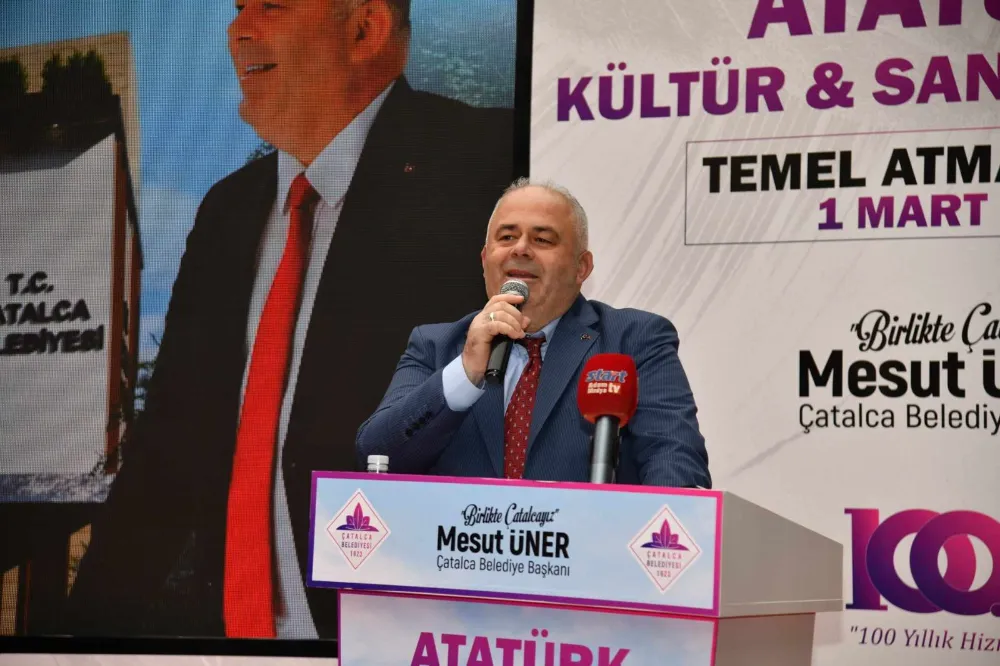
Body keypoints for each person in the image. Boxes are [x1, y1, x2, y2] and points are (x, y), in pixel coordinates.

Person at [65, 0, 512, 641]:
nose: (238, 29)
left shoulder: (485, 165)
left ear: (364, 29)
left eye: (270, 6)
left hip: (417, 636)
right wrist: (78, 644)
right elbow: (168, 447)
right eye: (239, 8)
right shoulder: (227, 210)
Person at [356, 179, 711, 487]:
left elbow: (676, 463)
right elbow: (376, 457)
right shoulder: (435, 346)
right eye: (507, 236)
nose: (521, 248)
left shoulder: (635, 340)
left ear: (581, 267)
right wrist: (465, 373)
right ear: (485, 260)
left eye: (542, 239)